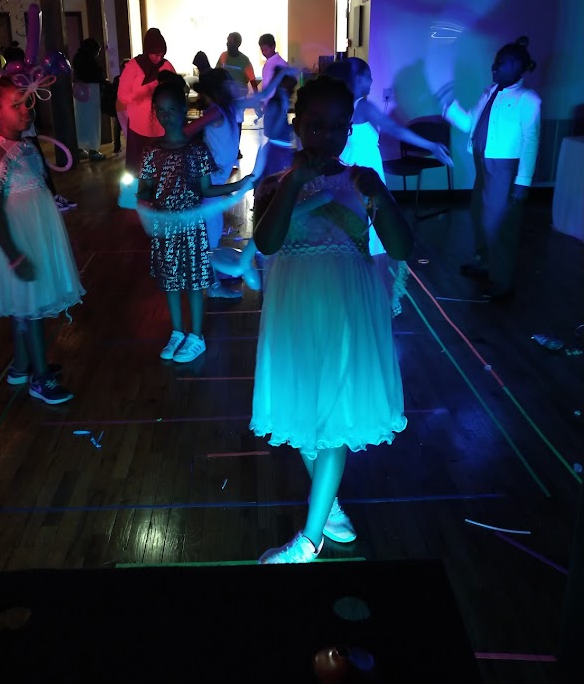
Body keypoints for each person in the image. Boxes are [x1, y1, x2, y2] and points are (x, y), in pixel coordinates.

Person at [250, 76, 412, 564]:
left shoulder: (361, 181)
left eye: (339, 126)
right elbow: (267, 243)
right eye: (317, 125)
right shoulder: (276, 184)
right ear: (298, 126)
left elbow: (401, 247)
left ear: (350, 129)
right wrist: (295, 183)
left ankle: (309, 539)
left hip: (346, 310)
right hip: (295, 311)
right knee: (304, 407)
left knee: (335, 414)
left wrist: (381, 195)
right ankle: (330, 506)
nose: (328, 136)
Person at [0, 74, 84, 404]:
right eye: (14, 105)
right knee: (31, 308)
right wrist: (14, 255)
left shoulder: (26, 145)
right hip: (19, 240)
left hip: (36, 234)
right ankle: (40, 377)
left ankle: (21, 366)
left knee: (24, 306)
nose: (25, 110)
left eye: (26, 102)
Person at [136, 72, 255, 363]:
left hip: (191, 227)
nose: (166, 116)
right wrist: (144, 207)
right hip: (166, 227)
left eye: (171, 109)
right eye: (160, 110)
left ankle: (196, 336)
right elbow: (146, 189)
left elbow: (206, 188)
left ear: (183, 110)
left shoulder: (197, 150)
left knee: (193, 282)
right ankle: (178, 331)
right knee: (171, 282)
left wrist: (238, 185)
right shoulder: (152, 151)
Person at [325, 58, 453, 315]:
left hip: (346, 177)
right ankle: (372, 302)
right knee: (373, 236)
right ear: (356, 78)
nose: (372, 81)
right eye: (368, 76)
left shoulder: (336, 107)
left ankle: (352, 297)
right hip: (364, 179)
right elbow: (394, 129)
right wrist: (430, 145)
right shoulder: (363, 107)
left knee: (353, 235)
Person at [437, 36, 541, 300]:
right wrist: (449, 108)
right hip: (483, 164)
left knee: (500, 224)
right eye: (495, 62)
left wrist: (523, 181)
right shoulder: (488, 92)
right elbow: (470, 124)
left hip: (505, 168)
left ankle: (502, 280)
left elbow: (531, 141)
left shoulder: (528, 99)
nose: (495, 67)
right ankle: (484, 262)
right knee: (479, 214)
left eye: (502, 63)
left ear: (517, 66)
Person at [187, 64, 298, 298]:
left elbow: (263, 94)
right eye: (228, 83)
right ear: (219, 89)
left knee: (213, 231)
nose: (234, 86)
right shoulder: (216, 112)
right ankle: (212, 286)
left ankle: (215, 274)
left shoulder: (229, 108)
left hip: (217, 180)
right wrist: (199, 152)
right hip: (211, 181)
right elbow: (186, 132)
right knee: (210, 235)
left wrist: (281, 76)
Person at [2, 45, 77, 213]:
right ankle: (46, 199)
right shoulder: (7, 81)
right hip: (18, 134)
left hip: (28, 130)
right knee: (31, 169)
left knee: (40, 165)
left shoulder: (23, 77)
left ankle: (52, 196)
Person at [118, 29, 176, 176]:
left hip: (161, 124)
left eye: (162, 55)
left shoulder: (166, 66)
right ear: (147, 50)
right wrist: (143, 92)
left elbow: (175, 88)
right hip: (139, 125)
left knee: (161, 163)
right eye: (156, 54)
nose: (159, 58)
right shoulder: (133, 66)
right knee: (137, 163)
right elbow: (122, 95)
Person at [72, 37, 106, 162]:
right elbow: (97, 75)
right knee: (93, 121)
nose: (98, 54)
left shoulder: (77, 58)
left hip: (78, 92)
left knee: (80, 120)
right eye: (97, 51)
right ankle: (93, 150)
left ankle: (80, 149)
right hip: (92, 92)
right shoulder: (91, 62)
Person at [216, 32, 258, 98]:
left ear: (237, 44)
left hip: (239, 97)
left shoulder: (244, 60)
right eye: (227, 41)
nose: (227, 44)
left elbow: (253, 81)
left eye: (230, 42)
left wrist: (257, 97)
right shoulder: (223, 56)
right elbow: (216, 73)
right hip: (225, 96)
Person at [111, 58, 130, 156]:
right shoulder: (119, 79)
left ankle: (120, 147)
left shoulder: (118, 79)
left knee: (121, 127)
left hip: (126, 106)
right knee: (119, 126)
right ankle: (118, 147)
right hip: (122, 106)